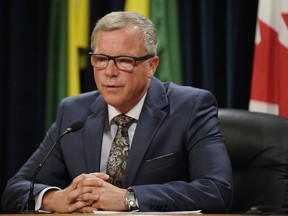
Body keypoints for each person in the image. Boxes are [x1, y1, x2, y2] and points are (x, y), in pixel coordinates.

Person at [1, 11, 232, 213]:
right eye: (100, 59)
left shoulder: (191, 107)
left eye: (123, 60)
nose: (109, 72)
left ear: (151, 65)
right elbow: (16, 189)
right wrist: (56, 198)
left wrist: (129, 198)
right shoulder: (73, 111)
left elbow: (217, 190)